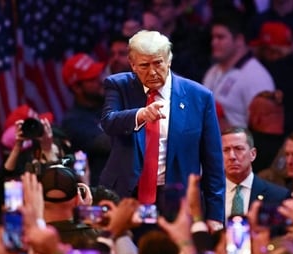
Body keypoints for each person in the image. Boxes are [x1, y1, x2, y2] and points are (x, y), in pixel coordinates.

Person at [100, 30, 225, 229]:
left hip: (177, 198)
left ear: (169, 60)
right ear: (133, 65)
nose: (152, 72)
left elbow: (213, 162)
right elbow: (108, 121)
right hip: (127, 197)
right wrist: (140, 115)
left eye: (158, 63)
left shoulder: (199, 97)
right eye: (144, 65)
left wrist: (215, 216)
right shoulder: (118, 86)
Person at [202, 11, 275, 129]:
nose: (214, 42)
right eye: (213, 37)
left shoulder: (256, 77)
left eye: (220, 37)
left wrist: (222, 124)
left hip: (236, 145)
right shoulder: (213, 71)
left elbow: (264, 132)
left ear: (239, 40)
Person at [61, 53, 110, 186]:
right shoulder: (73, 122)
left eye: (98, 75)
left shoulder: (108, 106)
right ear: (77, 88)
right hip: (99, 196)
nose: (100, 81)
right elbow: (108, 143)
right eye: (92, 79)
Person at [221, 127, 289, 220]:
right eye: (226, 150)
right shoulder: (206, 196)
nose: (232, 156)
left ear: (252, 154)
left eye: (238, 149)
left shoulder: (277, 196)